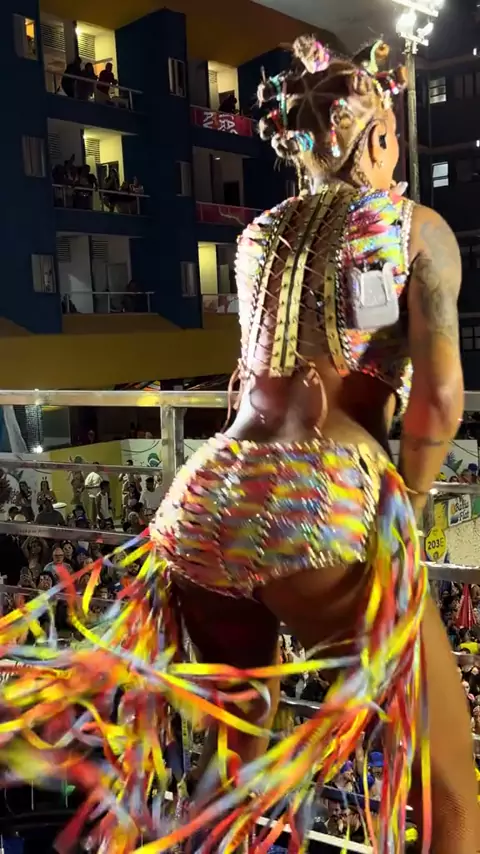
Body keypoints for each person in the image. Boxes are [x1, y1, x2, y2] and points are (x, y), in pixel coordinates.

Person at [0, 36, 476, 854]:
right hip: (318, 498)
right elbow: (438, 402)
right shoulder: (414, 228)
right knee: (449, 775)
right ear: (377, 137)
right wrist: (408, 512)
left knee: (232, 761)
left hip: (206, 499)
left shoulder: (257, 237)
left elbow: (254, 379)